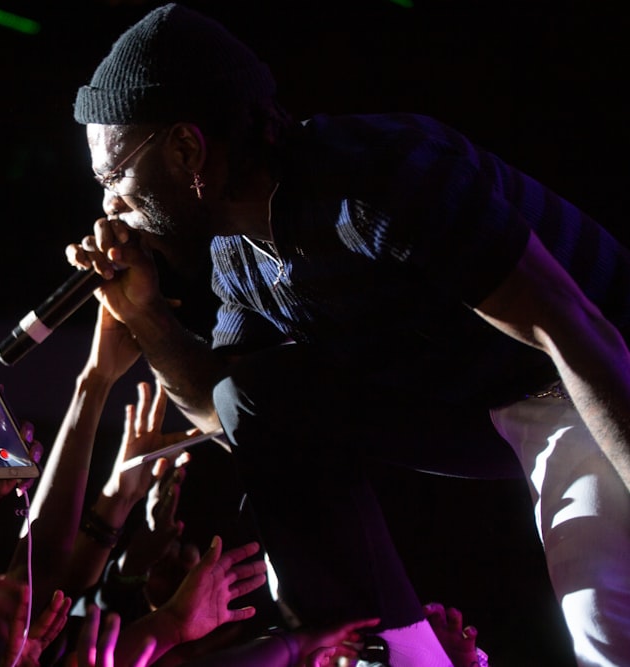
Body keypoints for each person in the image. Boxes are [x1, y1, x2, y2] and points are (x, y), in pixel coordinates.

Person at [65, 3, 630, 666]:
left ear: (187, 149)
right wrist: (147, 316)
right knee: (254, 394)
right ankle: (391, 651)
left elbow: (573, 327)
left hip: (586, 371)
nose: (109, 207)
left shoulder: (374, 181)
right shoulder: (237, 256)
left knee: (609, 633)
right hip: (480, 401)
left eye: (115, 176)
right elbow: (230, 417)